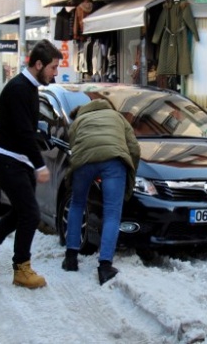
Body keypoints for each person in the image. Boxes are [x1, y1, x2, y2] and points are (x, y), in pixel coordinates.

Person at [0, 39, 62, 289]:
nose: (55, 73)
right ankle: (22, 269)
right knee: (30, 214)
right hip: (8, 161)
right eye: (53, 67)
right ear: (38, 64)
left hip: (17, 161)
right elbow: (22, 133)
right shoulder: (19, 89)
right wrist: (40, 165)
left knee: (21, 213)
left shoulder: (28, 89)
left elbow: (28, 129)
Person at [62, 99, 140, 285]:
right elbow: (134, 148)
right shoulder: (118, 117)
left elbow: (73, 147)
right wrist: (131, 172)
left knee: (77, 204)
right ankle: (105, 267)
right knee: (112, 213)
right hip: (113, 162)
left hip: (83, 163)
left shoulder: (78, 121)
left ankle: (71, 258)